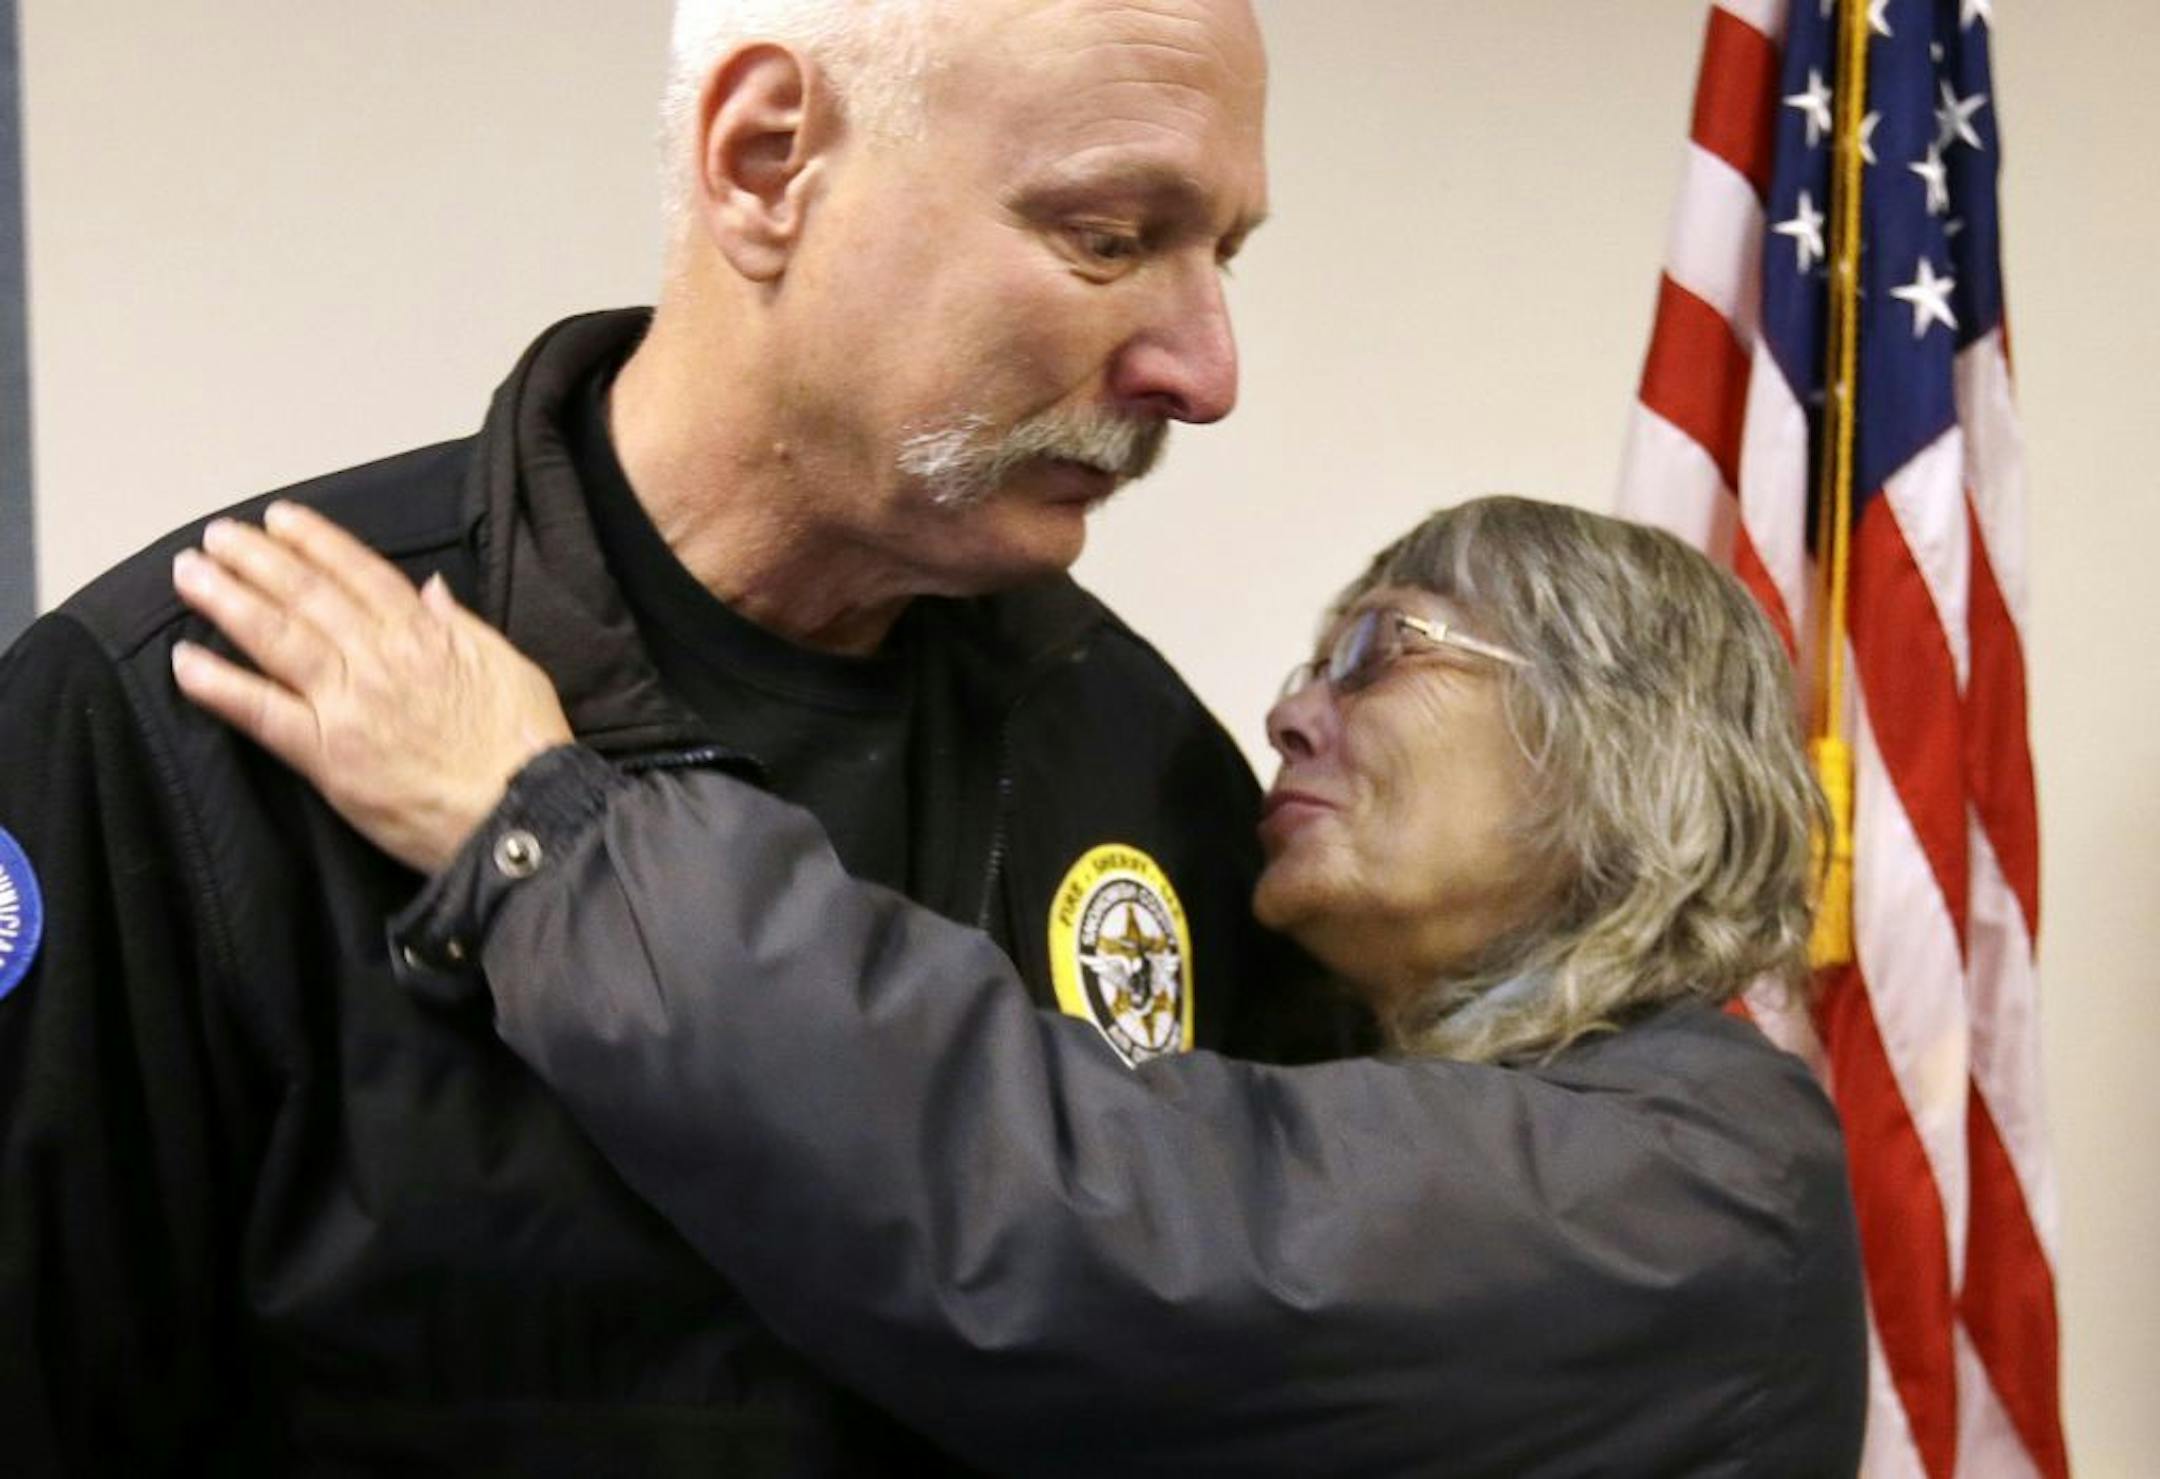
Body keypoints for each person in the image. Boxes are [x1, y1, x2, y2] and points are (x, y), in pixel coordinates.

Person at [0, 2, 1328, 1471]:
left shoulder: (1138, 759)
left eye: (1226, 254)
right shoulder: (179, 732)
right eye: (1109, 236)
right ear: (765, 163)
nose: (1205, 374)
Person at [170, 494, 1872, 1476]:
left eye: (1382, 650)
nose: (1292, 709)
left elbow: (1105, 1219)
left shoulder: (1707, 1182)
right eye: (1308, 659)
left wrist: (545, 834)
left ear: (1618, 749)